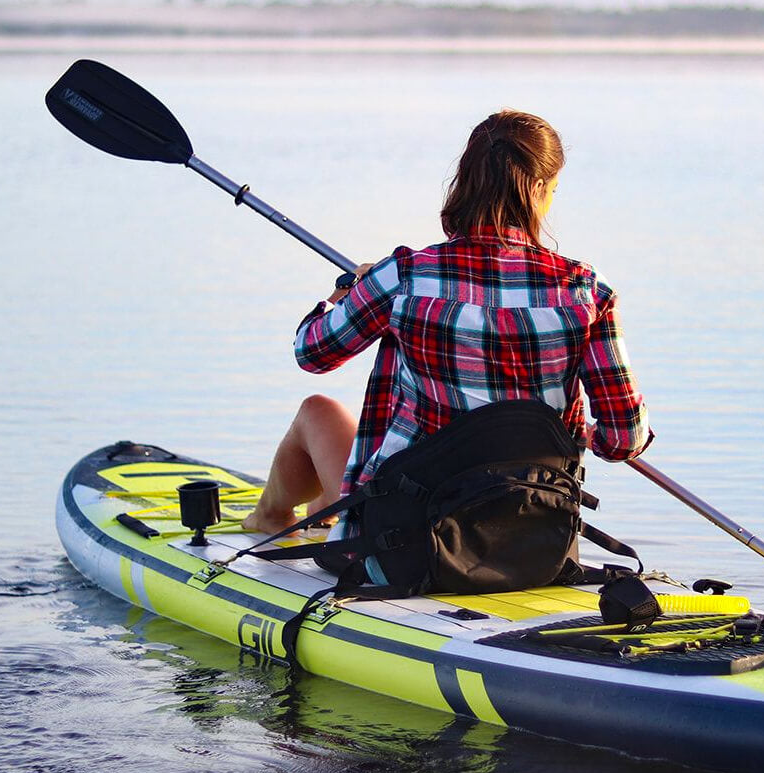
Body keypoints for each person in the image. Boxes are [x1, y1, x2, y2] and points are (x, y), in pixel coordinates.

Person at [242, 110, 651, 582]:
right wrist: (582, 436)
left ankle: (270, 519)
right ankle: (319, 507)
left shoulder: (405, 276)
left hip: (408, 544)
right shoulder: (586, 291)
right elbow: (624, 440)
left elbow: (312, 353)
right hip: (537, 542)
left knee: (317, 411)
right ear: (540, 188)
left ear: (465, 182)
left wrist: (342, 296)